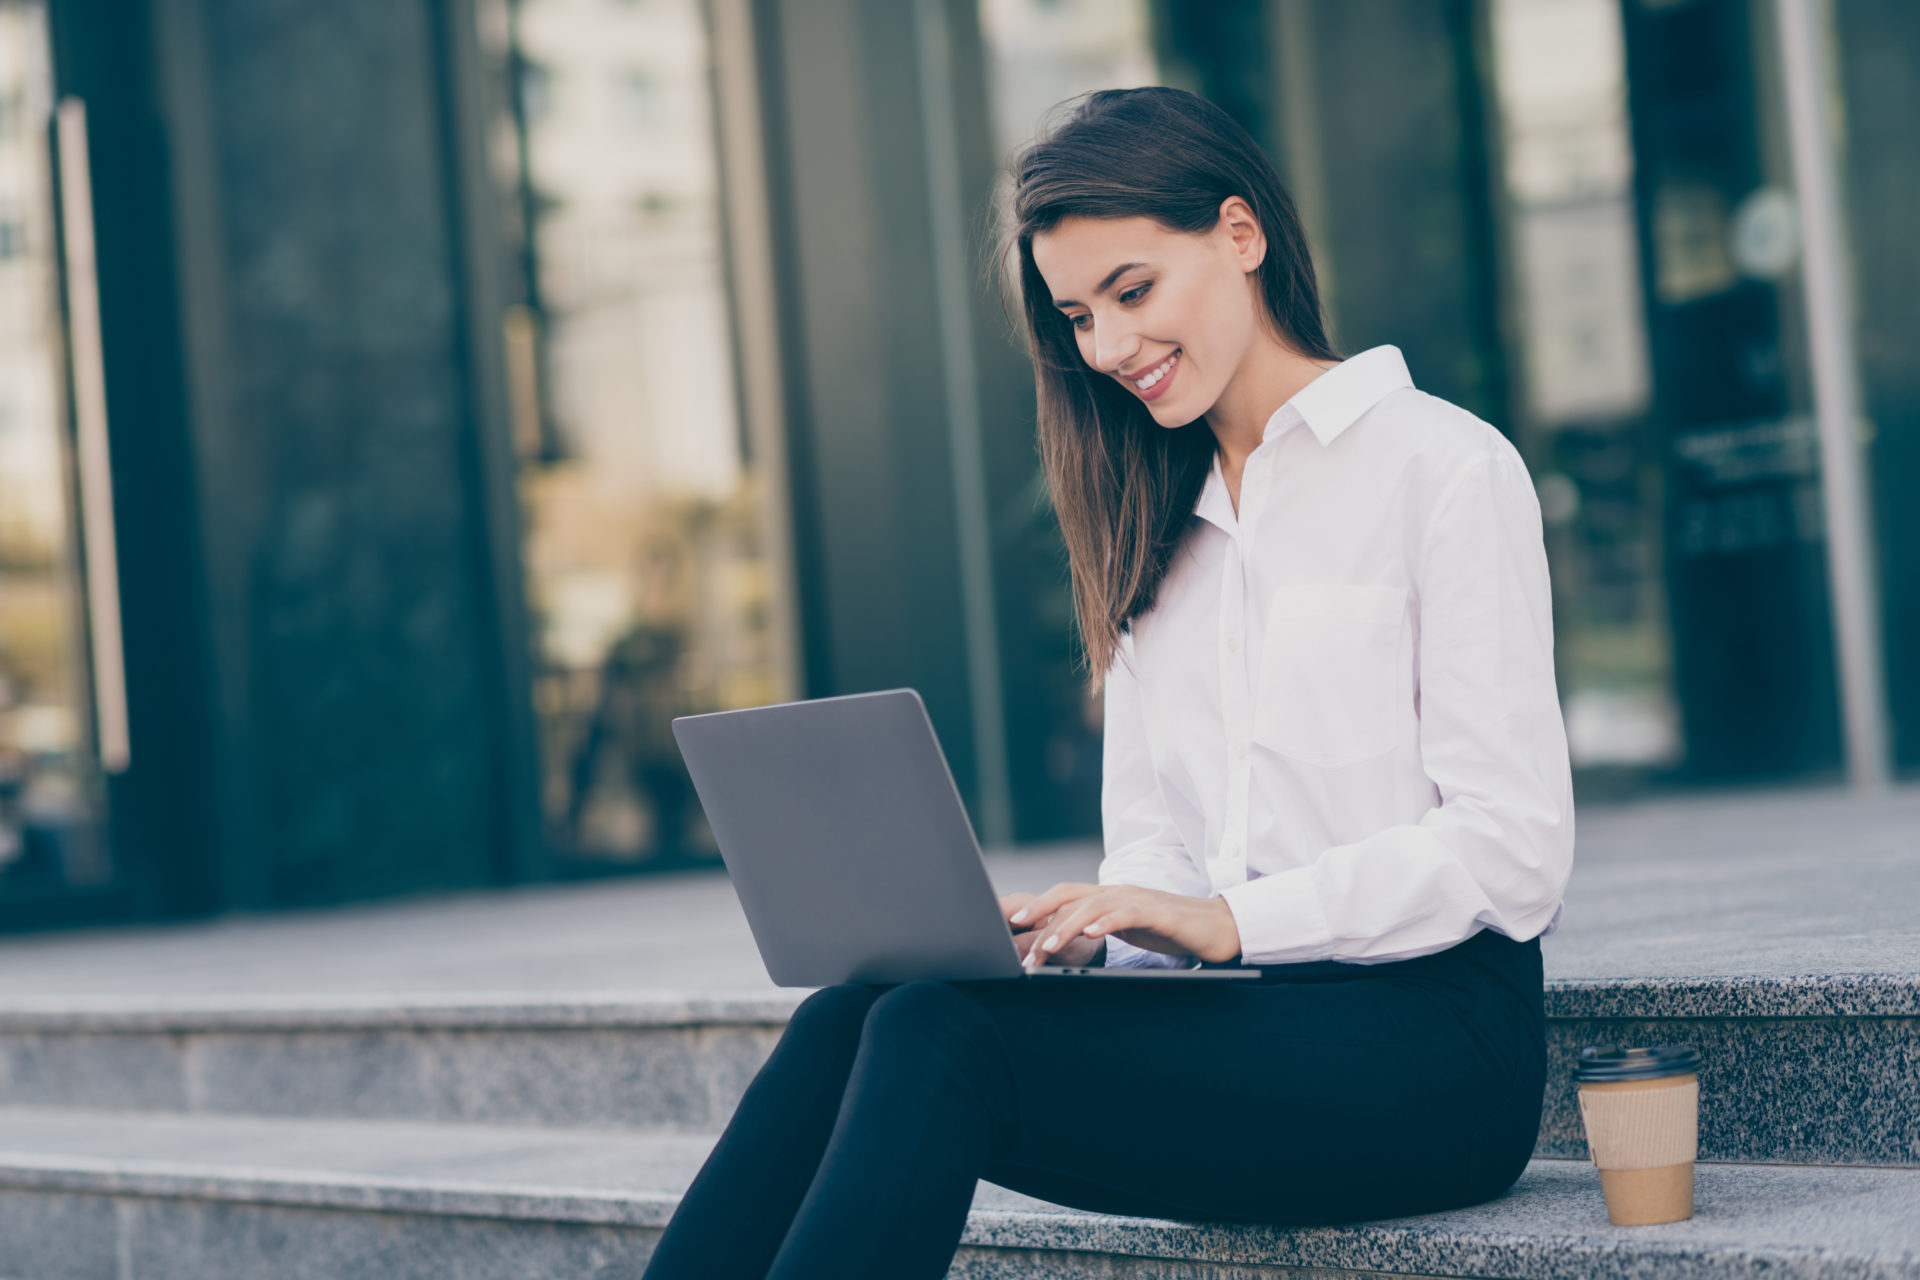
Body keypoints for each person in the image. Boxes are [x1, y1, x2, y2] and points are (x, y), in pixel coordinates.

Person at [640, 85, 1573, 1279]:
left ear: (1242, 236)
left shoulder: (1443, 466)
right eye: (1078, 314)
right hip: (1244, 1024)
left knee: (938, 1033)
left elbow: (1512, 849)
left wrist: (1232, 921)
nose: (1108, 347)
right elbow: (1162, 861)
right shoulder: (1147, 526)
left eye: (1132, 292)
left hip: (1436, 1042)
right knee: (857, 1012)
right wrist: (1104, 930)